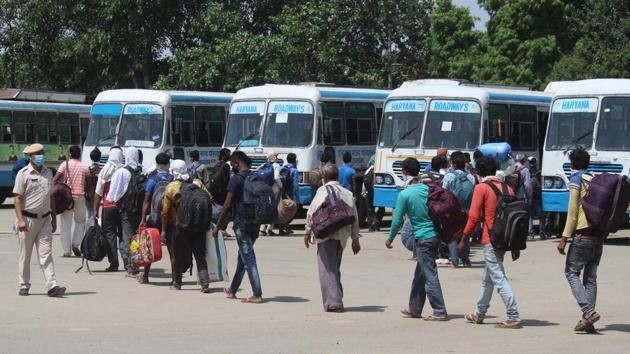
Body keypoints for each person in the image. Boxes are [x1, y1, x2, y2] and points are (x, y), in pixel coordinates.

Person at [460, 156, 522, 329]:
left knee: (499, 278)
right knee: (488, 279)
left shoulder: (481, 188)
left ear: (478, 172)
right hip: (505, 239)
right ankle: (479, 314)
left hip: (490, 239)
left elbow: (473, 217)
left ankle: (513, 315)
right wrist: (515, 246)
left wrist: (464, 239)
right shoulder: (508, 188)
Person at [386, 157, 448, 321]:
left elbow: (397, 220)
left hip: (423, 238)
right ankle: (415, 308)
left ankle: (439, 310)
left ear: (404, 172)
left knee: (429, 275)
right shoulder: (427, 189)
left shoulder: (405, 194)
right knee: (420, 274)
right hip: (434, 236)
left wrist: (389, 239)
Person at [304, 163, 361, 312]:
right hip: (342, 235)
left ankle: (334, 303)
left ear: (324, 177)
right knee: (334, 267)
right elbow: (354, 216)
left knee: (326, 269)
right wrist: (355, 238)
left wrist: (307, 231)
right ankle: (337, 296)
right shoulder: (347, 193)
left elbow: (312, 212)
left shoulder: (322, 191)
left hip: (326, 232)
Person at [557, 148, 601, 333]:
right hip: (598, 235)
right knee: (590, 277)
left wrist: (564, 238)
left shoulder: (576, 180)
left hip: (582, 235)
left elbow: (573, 213)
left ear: (572, 163)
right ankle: (587, 321)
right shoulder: (594, 180)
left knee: (571, 272)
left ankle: (588, 312)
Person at [14, 143, 66, 297]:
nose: (41, 155)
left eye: (42, 152)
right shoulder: (23, 174)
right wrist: (20, 220)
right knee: (25, 255)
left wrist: (54, 219)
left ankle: (52, 286)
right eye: (38, 153)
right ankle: (24, 284)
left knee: (46, 254)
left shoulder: (48, 173)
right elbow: (17, 199)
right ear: (30, 156)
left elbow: (51, 197)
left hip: (45, 220)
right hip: (27, 220)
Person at [214, 151, 263, 304]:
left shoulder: (236, 179)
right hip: (255, 222)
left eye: (232, 164)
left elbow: (227, 204)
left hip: (242, 223)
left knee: (248, 259)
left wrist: (218, 227)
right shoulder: (256, 176)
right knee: (242, 257)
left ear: (236, 163)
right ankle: (233, 290)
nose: (231, 167)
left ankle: (257, 293)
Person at [161, 160, 212, 292]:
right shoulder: (197, 183)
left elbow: (165, 212)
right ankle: (204, 283)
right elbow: (209, 198)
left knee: (178, 254)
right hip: (199, 225)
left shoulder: (171, 187)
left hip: (181, 226)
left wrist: (163, 230)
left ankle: (177, 283)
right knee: (200, 255)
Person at [138, 153, 174, 284]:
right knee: (171, 248)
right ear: (168, 164)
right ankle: (175, 278)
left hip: (154, 218)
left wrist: (143, 219)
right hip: (170, 218)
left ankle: (145, 276)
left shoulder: (153, 179)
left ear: (157, 164)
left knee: (150, 246)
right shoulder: (173, 179)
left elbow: (146, 201)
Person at [107, 146, 143, 276]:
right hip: (141, 212)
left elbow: (113, 195)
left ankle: (131, 265)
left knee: (127, 238)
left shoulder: (122, 172)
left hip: (126, 211)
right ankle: (137, 261)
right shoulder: (143, 170)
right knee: (136, 238)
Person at [54, 145, 90, 257]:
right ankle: (76, 244)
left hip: (66, 198)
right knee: (80, 222)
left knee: (65, 224)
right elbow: (89, 185)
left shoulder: (64, 165)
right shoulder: (84, 167)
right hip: (79, 197)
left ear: (69, 154)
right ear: (79, 155)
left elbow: (55, 179)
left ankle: (66, 250)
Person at [442, 151, 475, 268]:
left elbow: (444, 192)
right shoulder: (471, 177)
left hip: (453, 210)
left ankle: (454, 261)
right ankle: (466, 260)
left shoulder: (449, 176)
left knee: (452, 235)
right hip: (467, 209)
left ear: (453, 164)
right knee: (465, 234)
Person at [93, 147, 124, 272]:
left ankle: (114, 264)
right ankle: (128, 262)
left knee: (110, 236)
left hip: (108, 207)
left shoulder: (104, 172)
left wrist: (95, 209)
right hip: (122, 208)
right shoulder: (124, 170)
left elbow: (98, 193)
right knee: (124, 235)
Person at [259, 151, 282, 236]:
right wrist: (281, 186)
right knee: (273, 209)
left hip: (264, 189)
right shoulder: (276, 165)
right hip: (274, 190)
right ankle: (270, 229)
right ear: (275, 157)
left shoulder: (263, 165)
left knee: (265, 208)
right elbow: (276, 177)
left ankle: (262, 229)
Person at [278, 152, 299, 235]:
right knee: (290, 210)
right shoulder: (294, 170)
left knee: (282, 209)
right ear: (295, 160)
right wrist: (297, 196)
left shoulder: (282, 167)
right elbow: (295, 184)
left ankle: (282, 228)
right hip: (289, 193)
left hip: (282, 191)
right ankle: (285, 228)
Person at [363, 154, 385, 232]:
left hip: (367, 193)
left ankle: (371, 225)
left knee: (370, 209)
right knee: (381, 209)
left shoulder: (368, 170)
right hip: (375, 192)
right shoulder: (376, 170)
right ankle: (376, 223)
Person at [529, 171, 547, 240]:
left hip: (532, 200)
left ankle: (531, 234)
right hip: (538, 200)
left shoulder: (532, 180)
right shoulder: (538, 181)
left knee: (530, 218)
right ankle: (542, 232)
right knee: (541, 217)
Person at [85, 148, 102, 221]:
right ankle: (94, 230)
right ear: (100, 157)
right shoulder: (101, 170)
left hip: (88, 195)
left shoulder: (87, 169)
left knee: (90, 213)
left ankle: (90, 229)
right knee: (96, 213)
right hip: (97, 196)